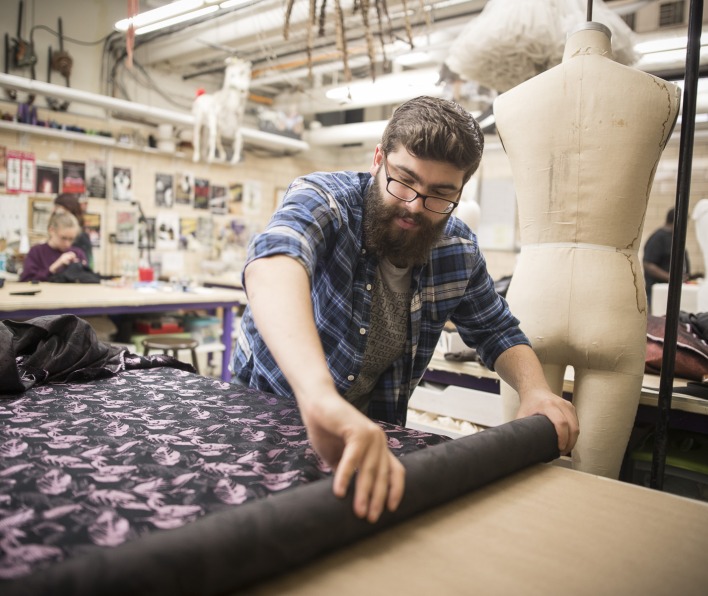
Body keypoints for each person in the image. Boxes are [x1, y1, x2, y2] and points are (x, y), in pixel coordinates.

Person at [231, 96, 579, 523]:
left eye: (439, 195)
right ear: (379, 159)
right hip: (267, 413)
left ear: (460, 193)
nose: (415, 206)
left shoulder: (458, 250)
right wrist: (319, 396)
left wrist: (536, 390)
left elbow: (497, 331)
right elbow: (274, 262)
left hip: (369, 430)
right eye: (403, 181)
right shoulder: (326, 198)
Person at [493, 22, 680, 479]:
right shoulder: (659, 93)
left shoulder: (513, 102)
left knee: (518, 469)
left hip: (534, 294)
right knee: (598, 476)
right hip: (613, 294)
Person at [20, 211, 88, 282]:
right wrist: (53, 268)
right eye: (63, 238)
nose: (67, 244)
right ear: (51, 230)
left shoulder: (78, 253)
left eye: (71, 239)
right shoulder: (36, 252)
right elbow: (26, 280)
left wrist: (81, 270)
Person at [643, 207, 690, 307]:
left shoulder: (674, 236)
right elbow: (648, 264)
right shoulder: (658, 238)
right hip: (658, 292)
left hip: (671, 291)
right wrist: (670, 277)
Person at [53, 192, 94, 269]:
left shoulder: (81, 237)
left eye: (60, 210)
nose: (54, 212)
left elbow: (88, 266)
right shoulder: (55, 231)